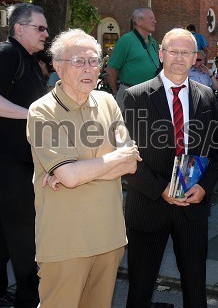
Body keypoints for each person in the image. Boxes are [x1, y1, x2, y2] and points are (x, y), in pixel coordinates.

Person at [26, 29, 140, 307]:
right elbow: (71, 175)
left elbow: (132, 163)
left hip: (110, 237)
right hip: (66, 242)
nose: (89, 69)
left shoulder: (107, 101)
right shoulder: (42, 111)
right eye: (78, 61)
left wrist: (78, 171)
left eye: (94, 61)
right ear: (57, 65)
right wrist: (109, 162)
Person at [122, 28, 218, 308]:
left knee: (195, 290)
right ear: (161, 53)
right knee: (140, 291)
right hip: (148, 206)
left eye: (186, 52)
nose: (179, 58)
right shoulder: (136, 96)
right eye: (172, 51)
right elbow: (126, 157)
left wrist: (204, 187)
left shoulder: (206, 97)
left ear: (195, 58)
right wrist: (162, 189)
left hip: (193, 208)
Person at [0, 2, 49, 308]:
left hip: (22, 161)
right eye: (40, 28)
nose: (46, 33)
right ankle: (30, 299)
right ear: (19, 28)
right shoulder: (7, 53)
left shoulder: (30, 60)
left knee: (6, 235)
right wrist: (31, 115)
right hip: (8, 162)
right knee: (23, 235)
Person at [107, 7, 160, 108]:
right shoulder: (126, 40)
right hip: (129, 95)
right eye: (151, 18)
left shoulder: (153, 42)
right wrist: (118, 92)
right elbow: (111, 69)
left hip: (150, 95)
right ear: (139, 21)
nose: (155, 21)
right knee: (128, 124)